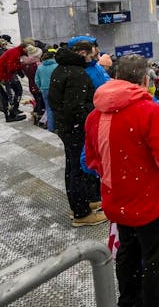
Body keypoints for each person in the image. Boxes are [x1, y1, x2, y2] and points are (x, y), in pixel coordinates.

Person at [84, 54, 159, 307]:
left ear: (116, 78)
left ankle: (128, 300)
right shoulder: (151, 111)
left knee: (127, 250)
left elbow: (92, 160)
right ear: (146, 79)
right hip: (150, 203)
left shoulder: (95, 115)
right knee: (155, 258)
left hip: (117, 201)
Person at [48, 40, 105, 227]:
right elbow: (76, 108)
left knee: (73, 166)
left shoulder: (63, 68)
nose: (93, 59)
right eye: (91, 55)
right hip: (74, 129)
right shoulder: (76, 74)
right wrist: (95, 107)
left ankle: (81, 204)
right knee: (78, 168)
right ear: (82, 53)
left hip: (66, 127)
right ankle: (81, 213)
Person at [0, 40, 29, 122]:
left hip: (2, 76)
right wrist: (21, 64)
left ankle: (11, 114)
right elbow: (11, 67)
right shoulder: (15, 53)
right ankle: (9, 116)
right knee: (6, 96)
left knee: (7, 95)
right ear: (24, 48)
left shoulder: (16, 51)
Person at [35, 49, 58, 132]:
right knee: (57, 108)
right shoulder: (56, 66)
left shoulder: (40, 67)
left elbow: (36, 80)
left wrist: (41, 87)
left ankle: (50, 127)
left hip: (44, 89)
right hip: (55, 89)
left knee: (48, 108)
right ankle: (57, 126)